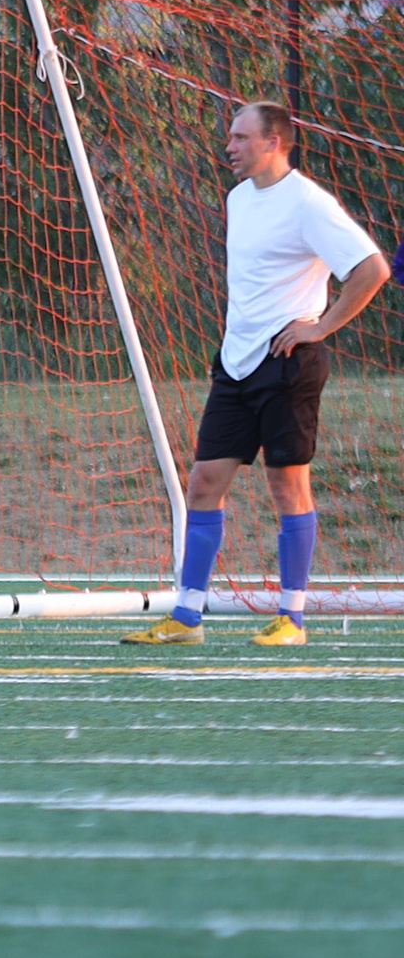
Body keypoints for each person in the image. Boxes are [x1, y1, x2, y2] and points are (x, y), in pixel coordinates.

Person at [124, 101, 389, 649]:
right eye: (230, 136)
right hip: (236, 363)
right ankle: (187, 617)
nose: (230, 146)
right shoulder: (239, 197)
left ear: (274, 142)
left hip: (288, 363)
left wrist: (321, 326)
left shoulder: (308, 203)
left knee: (286, 484)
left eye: (241, 137)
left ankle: (292, 618)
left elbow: (372, 269)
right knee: (204, 482)